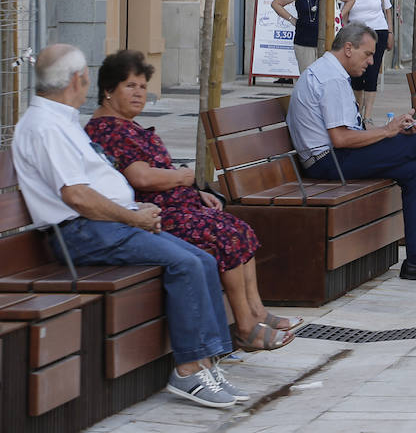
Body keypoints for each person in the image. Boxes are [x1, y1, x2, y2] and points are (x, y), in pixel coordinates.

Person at [13, 45, 246, 408]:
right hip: (81, 232)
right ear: (78, 80)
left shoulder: (61, 120)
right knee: (185, 263)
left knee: (201, 258)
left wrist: (132, 206)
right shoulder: (46, 127)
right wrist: (132, 215)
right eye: (86, 78)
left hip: (101, 223)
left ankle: (207, 361)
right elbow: (77, 197)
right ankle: (187, 370)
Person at [84, 51, 300, 351]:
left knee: (238, 229)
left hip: (175, 207)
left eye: (143, 87)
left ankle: (257, 312)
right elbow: (141, 178)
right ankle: (245, 327)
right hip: (152, 216)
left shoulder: (125, 126)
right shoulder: (108, 130)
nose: (138, 94)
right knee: (224, 236)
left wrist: (195, 192)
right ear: (108, 89)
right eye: (130, 86)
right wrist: (184, 179)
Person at [288, 24, 416, 282]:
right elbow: (340, 138)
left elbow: (350, 131)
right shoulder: (330, 78)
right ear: (348, 49)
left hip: (333, 158)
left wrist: (391, 130)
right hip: (328, 162)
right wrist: (387, 131)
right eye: (368, 54)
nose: (372, 62)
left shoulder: (330, 72)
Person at [272, 0, 355, 75]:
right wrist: (291, 19)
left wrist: (338, 17)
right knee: (307, 76)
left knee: (326, 76)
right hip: (304, 40)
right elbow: (276, 3)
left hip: (328, 40)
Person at [343, 0, 394, 120]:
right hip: (355, 34)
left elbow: (387, 10)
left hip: (378, 32)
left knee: (372, 74)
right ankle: (357, 111)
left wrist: (390, 33)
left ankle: (368, 115)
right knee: (357, 74)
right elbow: (343, 13)